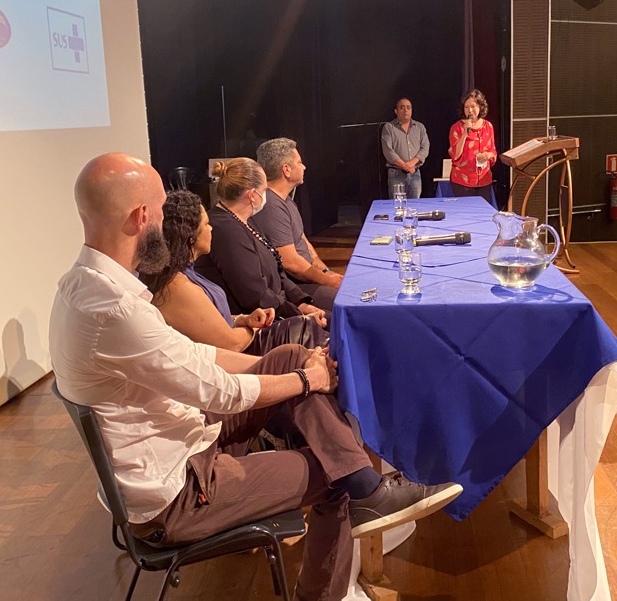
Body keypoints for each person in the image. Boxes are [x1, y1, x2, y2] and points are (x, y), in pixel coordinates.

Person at [50, 153, 462, 601]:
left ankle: (363, 483)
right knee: (334, 475)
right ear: (141, 216)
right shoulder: (115, 309)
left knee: (289, 355)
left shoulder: (80, 287)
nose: (167, 222)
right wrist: (308, 381)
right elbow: (219, 392)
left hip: (183, 445)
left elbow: (195, 355)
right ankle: (351, 516)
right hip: (179, 493)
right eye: (161, 209)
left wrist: (294, 368)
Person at [141, 189, 328, 354]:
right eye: (205, 224)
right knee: (314, 332)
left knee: (316, 329)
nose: (211, 228)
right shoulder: (178, 286)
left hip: (244, 339)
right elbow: (232, 344)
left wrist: (242, 319)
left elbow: (209, 320)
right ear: (191, 237)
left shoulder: (186, 272)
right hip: (240, 358)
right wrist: (258, 328)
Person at [195, 158, 329, 326]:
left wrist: (300, 303)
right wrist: (297, 314)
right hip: (259, 320)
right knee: (335, 323)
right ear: (252, 195)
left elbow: (277, 271)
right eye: (264, 190)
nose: (266, 196)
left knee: (335, 317)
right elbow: (253, 295)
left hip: (279, 307)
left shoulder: (246, 220)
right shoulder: (225, 230)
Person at [254, 138, 341, 312]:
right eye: (299, 162)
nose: (304, 167)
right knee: (348, 303)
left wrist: (326, 272)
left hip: (308, 278)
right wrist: (327, 280)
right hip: (296, 286)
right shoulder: (271, 205)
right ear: (286, 170)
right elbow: (290, 262)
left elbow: (303, 242)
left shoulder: (286, 201)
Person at [448, 89, 497, 204]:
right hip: (463, 181)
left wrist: (488, 155)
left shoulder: (488, 126)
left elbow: (493, 152)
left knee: (483, 212)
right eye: (466, 107)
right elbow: (455, 155)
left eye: (473, 106)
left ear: (480, 107)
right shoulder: (457, 128)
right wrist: (465, 133)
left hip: (484, 180)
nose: (470, 110)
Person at [380, 97, 429, 199]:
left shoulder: (420, 127)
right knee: (398, 205)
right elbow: (388, 151)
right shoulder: (389, 128)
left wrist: (411, 164)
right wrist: (404, 165)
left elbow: (425, 148)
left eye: (408, 107)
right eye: (402, 107)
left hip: (415, 173)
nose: (406, 110)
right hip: (396, 174)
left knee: (414, 205)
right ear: (396, 111)